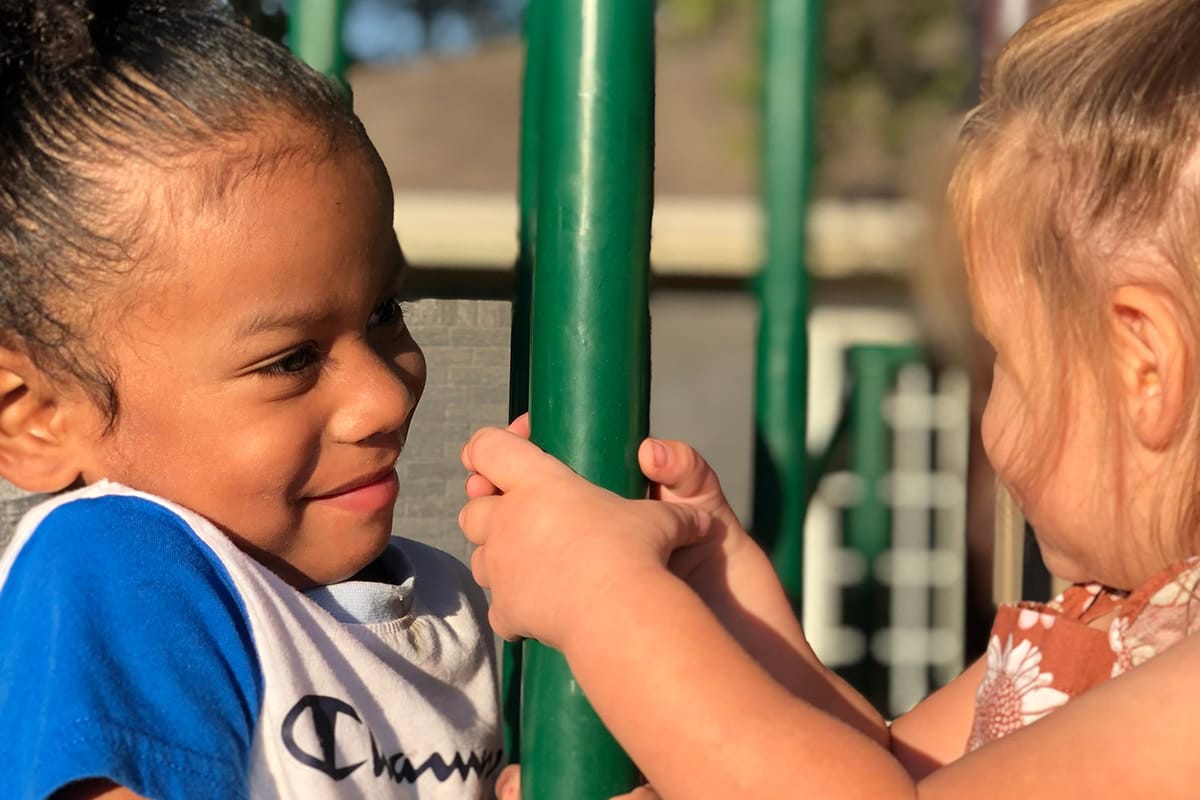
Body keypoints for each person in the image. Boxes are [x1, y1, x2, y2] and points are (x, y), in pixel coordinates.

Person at [459, 0, 1200, 797]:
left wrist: (605, 597)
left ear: (1144, 366)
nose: (991, 423)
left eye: (1005, 363)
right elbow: (882, 767)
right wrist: (721, 596)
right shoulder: (1114, 627)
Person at [0, 2, 500, 798]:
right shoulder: (117, 570)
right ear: (38, 418)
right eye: (291, 359)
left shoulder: (440, 592)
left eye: (384, 313)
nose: (382, 397)